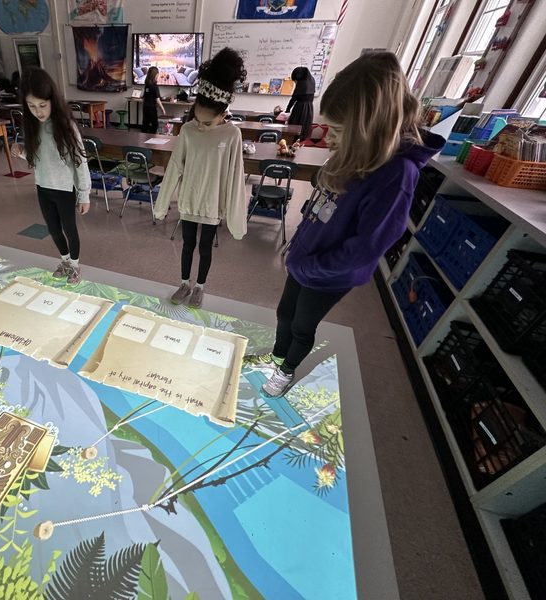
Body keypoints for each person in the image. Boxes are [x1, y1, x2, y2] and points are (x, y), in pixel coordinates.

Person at [257, 52, 445, 397]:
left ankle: (285, 371)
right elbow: (323, 202)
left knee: (302, 324)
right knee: (285, 313)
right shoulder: (356, 151)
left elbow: (366, 248)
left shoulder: (397, 174)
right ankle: (276, 357)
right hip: (305, 259)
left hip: (328, 272)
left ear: (367, 127)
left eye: (338, 130)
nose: (329, 136)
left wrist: (312, 263)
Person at [154, 47, 247, 309]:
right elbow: (174, 167)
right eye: (199, 120)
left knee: (205, 248)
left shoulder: (231, 136)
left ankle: (199, 287)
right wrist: (161, 206)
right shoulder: (188, 130)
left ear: (223, 113)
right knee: (187, 245)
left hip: (211, 206)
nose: (202, 127)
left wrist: (235, 221)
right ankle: (184, 282)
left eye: (208, 123)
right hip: (189, 202)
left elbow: (234, 178)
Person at [20, 68, 91, 285]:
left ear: (52, 100)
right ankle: (65, 261)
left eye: (42, 105)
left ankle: (76, 267)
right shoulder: (32, 126)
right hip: (43, 187)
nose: (38, 111)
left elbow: (79, 161)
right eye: (32, 106)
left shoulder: (65, 127)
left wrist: (84, 194)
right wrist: (22, 153)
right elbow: (38, 159)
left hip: (64, 190)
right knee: (53, 229)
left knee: (70, 229)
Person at [282, 66, 316, 142]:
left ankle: (291, 143)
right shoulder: (312, 80)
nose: (295, 82)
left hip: (300, 108)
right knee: (303, 128)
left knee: (293, 129)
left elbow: (294, 98)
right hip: (309, 108)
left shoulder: (302, 83)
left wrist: (287, 110)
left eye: (295, 81)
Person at [141, 66, 165, 134]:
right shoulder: (154, 86)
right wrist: (162, 109)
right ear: (156, 74)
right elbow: (157, 99)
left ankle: (143, 139)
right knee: (155, 124)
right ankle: (151, 138)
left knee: (145, 124)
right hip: (152, 108)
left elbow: (145, 96)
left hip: (145, 107)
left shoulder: (147, 84)